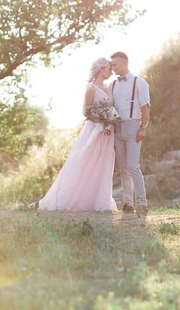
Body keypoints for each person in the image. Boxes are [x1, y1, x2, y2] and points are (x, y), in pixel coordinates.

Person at [38, 57, 118, 212]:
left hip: (108, 131)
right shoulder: (91, 88)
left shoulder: (107, 87)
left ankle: (99, 201)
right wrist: (101, 117)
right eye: (108, 68)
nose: (111, 71)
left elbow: (111, 107)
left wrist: (110, 119)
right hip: (94, 130)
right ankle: (73, 200)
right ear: (101, 69)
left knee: (103, 164)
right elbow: (85, 112)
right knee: (86, 162)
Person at [109, 51, 151, 215]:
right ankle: (128, 203)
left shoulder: (139, 82)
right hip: (117, 128)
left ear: (125, 63)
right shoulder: (112, 85)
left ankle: (142, 203)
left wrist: (143, 127)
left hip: (133, 126)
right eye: (111, 65)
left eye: (115, 64)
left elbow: (145, 106)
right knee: (123, 168)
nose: (112, 68)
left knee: (133, 166)